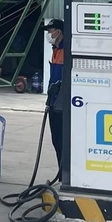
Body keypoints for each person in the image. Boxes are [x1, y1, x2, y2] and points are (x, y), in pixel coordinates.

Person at [43, 19, 66, 171]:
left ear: (58, 32)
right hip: (53, 102)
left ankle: (66, 173)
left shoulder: (67, 50)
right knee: (56, 140)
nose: (49, 34)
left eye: (50, 31)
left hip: (63, 104)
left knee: (64, 141)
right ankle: (61, 173)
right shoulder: (55, 50)